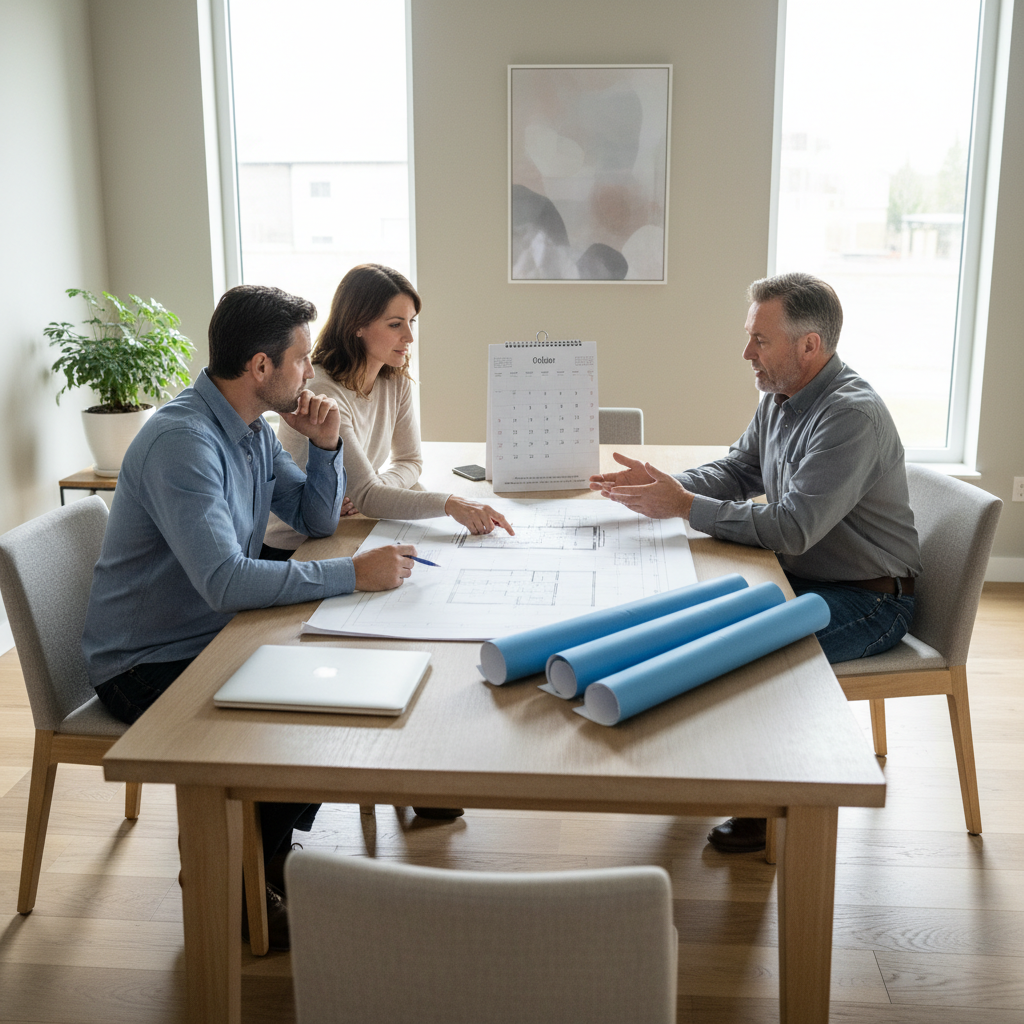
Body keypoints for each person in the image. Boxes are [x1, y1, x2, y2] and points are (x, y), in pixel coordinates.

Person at [82, 284, 418, 948]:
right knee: (292, 710)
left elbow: (316, 519)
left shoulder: (253, 430)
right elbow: (224, 582)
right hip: (145, 660)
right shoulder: (184, 443)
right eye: (298, 360)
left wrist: (324, 443)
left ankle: (265, 854)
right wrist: (352, 574)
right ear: (260, 368)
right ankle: (229, 884)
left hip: (211, 634)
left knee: (334, 686)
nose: (307, 372)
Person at [590, 271, 922, 853]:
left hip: (868, 601)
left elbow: (792, 528)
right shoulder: (779, 395)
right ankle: (698, 773)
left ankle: (762, 807)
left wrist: (685, 506)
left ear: (809, 346)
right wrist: (669, 487)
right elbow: (740, 469)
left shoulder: (850, 416)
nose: (747, 353)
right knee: (686, 617)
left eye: (760, 341)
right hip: (804, 577)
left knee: (739, 659)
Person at [262, 263, 513, 558]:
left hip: (350, 524)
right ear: (357, 325)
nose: (409, 336)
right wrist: (452, 504)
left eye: (412, 322)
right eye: (395, 324)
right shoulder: (321, 390)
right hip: (295, 545)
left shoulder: (394, 380)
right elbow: (369, 497)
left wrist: (373, 486)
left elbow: (409, 460)